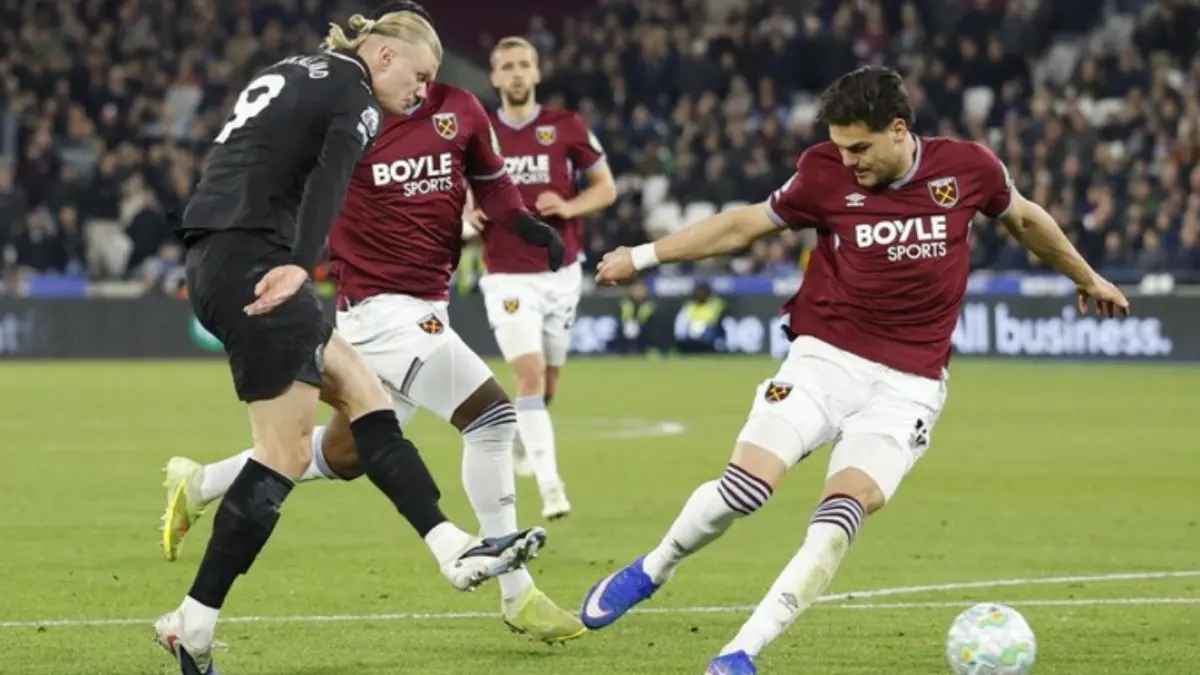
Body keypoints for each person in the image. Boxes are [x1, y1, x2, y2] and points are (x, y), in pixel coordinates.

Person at [578, 66, 1130, 675]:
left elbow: (1024, 219)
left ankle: (740, 653)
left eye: (860, 147)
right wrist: (644, 255)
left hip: (909, 386)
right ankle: (653, 567)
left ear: (899, 130)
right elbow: (742, 225)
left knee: (838, 520)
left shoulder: (969, 168)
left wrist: (1088, 277)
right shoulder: (822, 172)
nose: (849, 161)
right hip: (825, 357)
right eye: (840, 147)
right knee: (745, 489)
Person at [159, 6, 586, 646]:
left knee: (339, 453)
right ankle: (511, 588)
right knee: (493, 417)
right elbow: (322, 184)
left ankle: (203, 482)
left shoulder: (443, 106)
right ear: (385, 56)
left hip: (407, 300)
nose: (420, 89)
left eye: (429, 78)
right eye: (417, 74)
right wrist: (301, 263)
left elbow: (492, 187)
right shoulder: (356, 106)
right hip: (374, 306)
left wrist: (526, 227)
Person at [469, 36, 617, 518]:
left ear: (536, 74)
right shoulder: (480, 131)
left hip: (561, 273)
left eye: (523, 65)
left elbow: (607, 188)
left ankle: (520, 442)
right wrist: (467, 216)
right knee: (529, 375)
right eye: (506, 66)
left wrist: (570, 206)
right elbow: (458, 192)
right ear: (494, 77)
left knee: (548, 383)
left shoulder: (566, 127)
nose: (515, 73)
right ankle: (552, 488)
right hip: (507, 275)